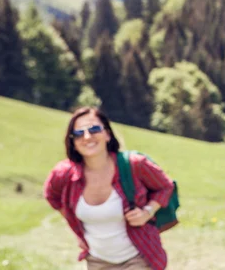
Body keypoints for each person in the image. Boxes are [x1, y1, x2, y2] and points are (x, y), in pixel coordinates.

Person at [44, 107, 174, 270]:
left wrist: (147, 212)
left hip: (139, 256)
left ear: (107, 134)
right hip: (97, 260)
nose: (87, 136)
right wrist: (77, 229)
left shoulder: (134, 164)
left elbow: (166, 186)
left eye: (94, 129)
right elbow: (51, 196)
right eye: (78, 133)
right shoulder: (64, 174)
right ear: (73, 143)